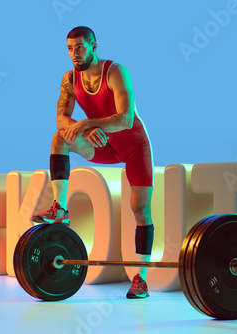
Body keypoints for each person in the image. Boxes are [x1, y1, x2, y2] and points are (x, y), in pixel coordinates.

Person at [32, 26, 154, 299]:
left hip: (134, 147)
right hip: (103, 145)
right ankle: (60, 208)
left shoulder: (115, 72)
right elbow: (62, 119)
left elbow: (125, 119)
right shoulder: (69, 79)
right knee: (59, 138)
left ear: (94, 47)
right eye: (69, 49)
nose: (74, 54)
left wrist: (88, 123)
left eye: (80, 47)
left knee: (140, 211)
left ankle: (141, 279)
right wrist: (84, 129)